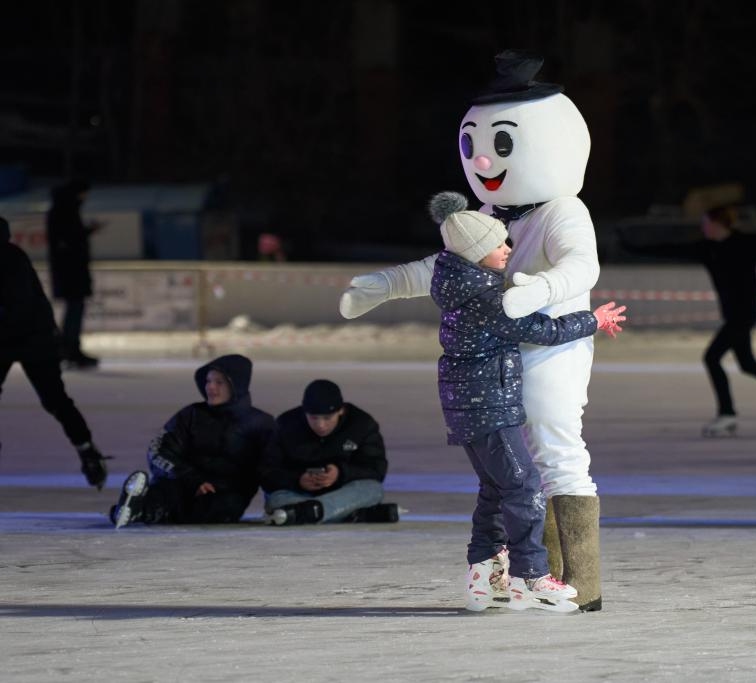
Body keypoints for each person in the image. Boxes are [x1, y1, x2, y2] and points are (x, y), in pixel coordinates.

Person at [339, 51, 607, 610]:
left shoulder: (562, 211)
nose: (483, 158)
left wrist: (542, 291)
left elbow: (582, 267)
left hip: (550, 345)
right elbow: (444, 267)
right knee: (513, 471)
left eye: (501, 144)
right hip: (500, 360)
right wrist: (385, 284)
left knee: (554, 451)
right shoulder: (486, 212)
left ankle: (577, 581)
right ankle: (519, 576)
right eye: (472, 144)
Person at [428, 193, 624, 611]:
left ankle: (484, 577)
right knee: (523, 485)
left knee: (494, 489)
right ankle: (530, 576)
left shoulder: (457, 283)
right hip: (489, 405)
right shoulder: (486, 297)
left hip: (466, 406)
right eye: (499, 245)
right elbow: (542, 330)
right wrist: (595, 319)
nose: (509, 250)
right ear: (479, 253)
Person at [622, 205, 756, 437]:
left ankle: (727, 413)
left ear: (718, 223)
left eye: (706, 222)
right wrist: (631, 247)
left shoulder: (746, 243)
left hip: (745, 313)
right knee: (747, 364)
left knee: (712, 357)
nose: (703, 227)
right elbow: (669, 250)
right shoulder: (706, 248)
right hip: (732, 315)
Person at [0, 215, 108, 489]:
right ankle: (87, 449)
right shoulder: (14, 256)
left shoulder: (12, 261)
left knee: (54, 398)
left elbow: (18, 308)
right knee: (56, 399)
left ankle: (87, 450)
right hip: (22, 338)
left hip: (34, 339)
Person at [110, 354, 275, 527]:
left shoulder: (261, 423)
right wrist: (190, 479)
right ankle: (133, 510)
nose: (210, 387)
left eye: (219, 382)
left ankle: (136, 511)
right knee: (165, 495)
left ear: (237, 386)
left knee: (214, 511)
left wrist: (278, 499)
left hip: (225, 494)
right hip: (182, 483)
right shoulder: (191, 414)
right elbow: (159, 450)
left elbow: (271, 465)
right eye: (208, 381)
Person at [260, 379, 397, 525]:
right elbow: (266, 471)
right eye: (313, 418)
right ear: (304, 412)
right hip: (299, 494)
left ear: (341, 411)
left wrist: (340, 474)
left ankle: (308, 513)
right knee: (276, 499)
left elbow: (376, 470)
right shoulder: (285, 424)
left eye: (327, 418)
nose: (320, 425)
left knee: (373, 490)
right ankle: (347, 514)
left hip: (343, 492)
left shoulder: (361, 424)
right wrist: (298, 480)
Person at [46, 179, 102, 369]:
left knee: (74, 309)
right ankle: (70, 348)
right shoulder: (65, 212)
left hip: (70, 272)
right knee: (74, 309)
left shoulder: (61, 211)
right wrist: (85, 233)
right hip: (72, 273)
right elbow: (69, 241)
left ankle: (68, 348)